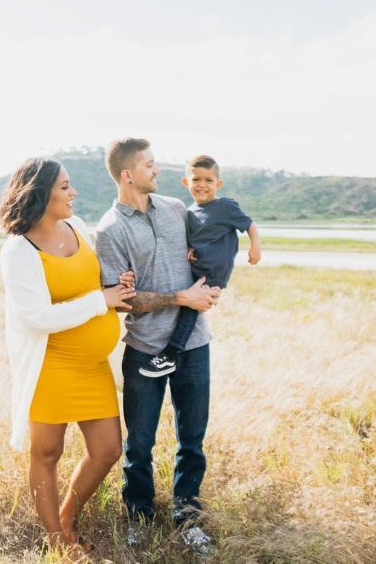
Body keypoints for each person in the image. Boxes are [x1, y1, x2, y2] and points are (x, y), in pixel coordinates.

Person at [0, 157, 136, 556]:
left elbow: (92, 285)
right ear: (40, 194)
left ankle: (66, 515)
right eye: (64, 187)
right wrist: (101, 301)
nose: (73, 193)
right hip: (51, 365)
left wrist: (115, 288)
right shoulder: (19, 250)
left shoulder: (76, 228)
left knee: (108, 449)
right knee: (47, 452)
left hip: (91, 366)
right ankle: (57, 539)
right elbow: (37, 317)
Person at [94, 138, 221, 555]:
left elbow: (205, 250)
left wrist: (206, 274)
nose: (157, 170)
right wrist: (179, 298)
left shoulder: (175, 209)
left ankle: (187, 515)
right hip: (145, 348)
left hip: (194, 345)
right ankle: (140, 519)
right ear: (128, 174)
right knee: (139, 444)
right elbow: (122, 301)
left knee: (192, 439)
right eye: (150, 165)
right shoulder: (110, 230)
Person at [139, 154, 261, 378]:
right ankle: (168, 351)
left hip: (212, 272)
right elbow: (195, 238)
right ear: (186, 182)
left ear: (218, 184)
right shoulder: (189, 212)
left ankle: (171, 354)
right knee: (184, 301)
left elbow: (250, 225)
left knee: (190, 309)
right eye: (196, 180)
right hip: (195, 269)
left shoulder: (226, 206)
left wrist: (255, 247)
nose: (202, 185)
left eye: (208, 180)